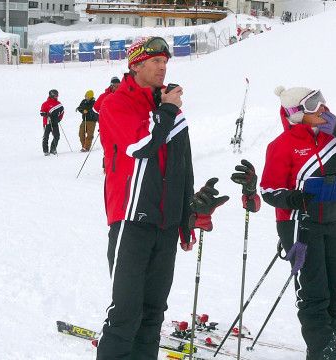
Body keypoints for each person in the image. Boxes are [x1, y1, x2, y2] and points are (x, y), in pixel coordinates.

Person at [96, 36, 228, 360]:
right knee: (126, 312)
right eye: (156, 61)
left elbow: (183, 164)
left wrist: (185, 218)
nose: (163, 66)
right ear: (136, 64)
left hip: (165, 225)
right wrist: (167, 109)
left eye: (166, 61)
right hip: (131, 219)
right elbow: (141, 145)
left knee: (154, 314)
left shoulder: (169, 108)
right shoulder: (117, 103)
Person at [259, 85, 336, 360]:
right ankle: (324, 352)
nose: (323, 106)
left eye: (321, 99)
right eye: (313, 103)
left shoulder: (333, 140)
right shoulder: (281, 146)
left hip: (331, 220)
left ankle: (325, 346)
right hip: (298, 225)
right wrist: (292, 198)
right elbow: (268, 190)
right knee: (315, 295)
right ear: (296, 113)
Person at [39, 89, 64, 156]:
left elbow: (62, 112)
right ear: (51, 95)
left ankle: (53, 149)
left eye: (57, 95)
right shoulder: (45, 104)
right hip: (47, 122)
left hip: (55, 122)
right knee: (46, 137)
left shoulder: (59, 104)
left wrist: (59, 119)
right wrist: (46, 114)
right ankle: (45, 151)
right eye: (55, 95)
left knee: (57, 136)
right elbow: (41, 112)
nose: (56, 96)